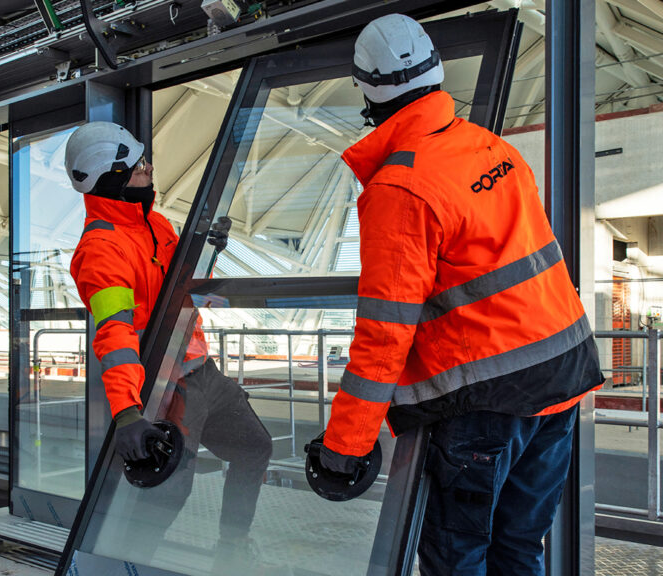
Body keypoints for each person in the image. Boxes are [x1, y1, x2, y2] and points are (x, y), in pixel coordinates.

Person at [319, 14, 604, 575]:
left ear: (368, 91)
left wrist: (344, 446)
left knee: (458, 561)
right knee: (519, 551)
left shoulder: (400, 186)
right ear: (437, 69)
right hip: (560, 383)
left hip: (486, 407)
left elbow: (384, 332)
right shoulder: (492, 149)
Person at [64, 122, 272, 573]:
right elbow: (116, 335)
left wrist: (206, 254)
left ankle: (232, 551)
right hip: (167, 383)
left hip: (202, 370)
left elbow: (175, 288)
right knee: (168, 491)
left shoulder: (154, 224)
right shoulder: (101, 251)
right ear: (114, 178)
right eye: (138, 166)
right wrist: (127, 413)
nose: (149, 169)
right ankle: (122, 565)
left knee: (254, 446)